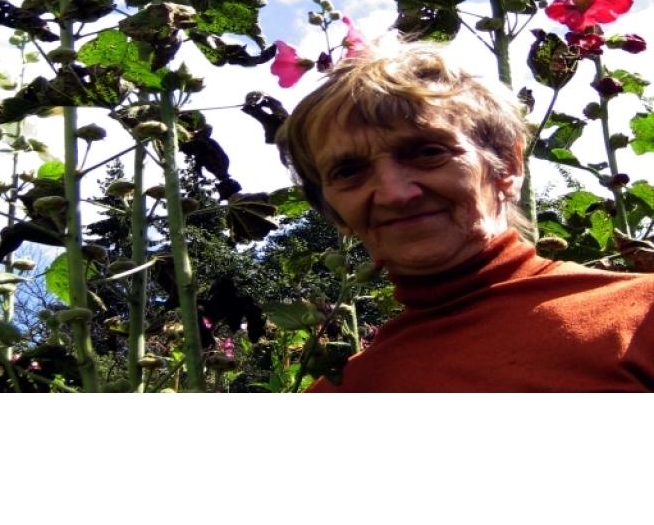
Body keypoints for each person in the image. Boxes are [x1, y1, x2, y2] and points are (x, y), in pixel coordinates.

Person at [276, 41, 654, 392]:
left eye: (427, 152)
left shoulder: (641, 315)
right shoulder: (342, 391)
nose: (395, 193)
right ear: (333, 210)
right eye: (347, 171)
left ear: (507, 165)